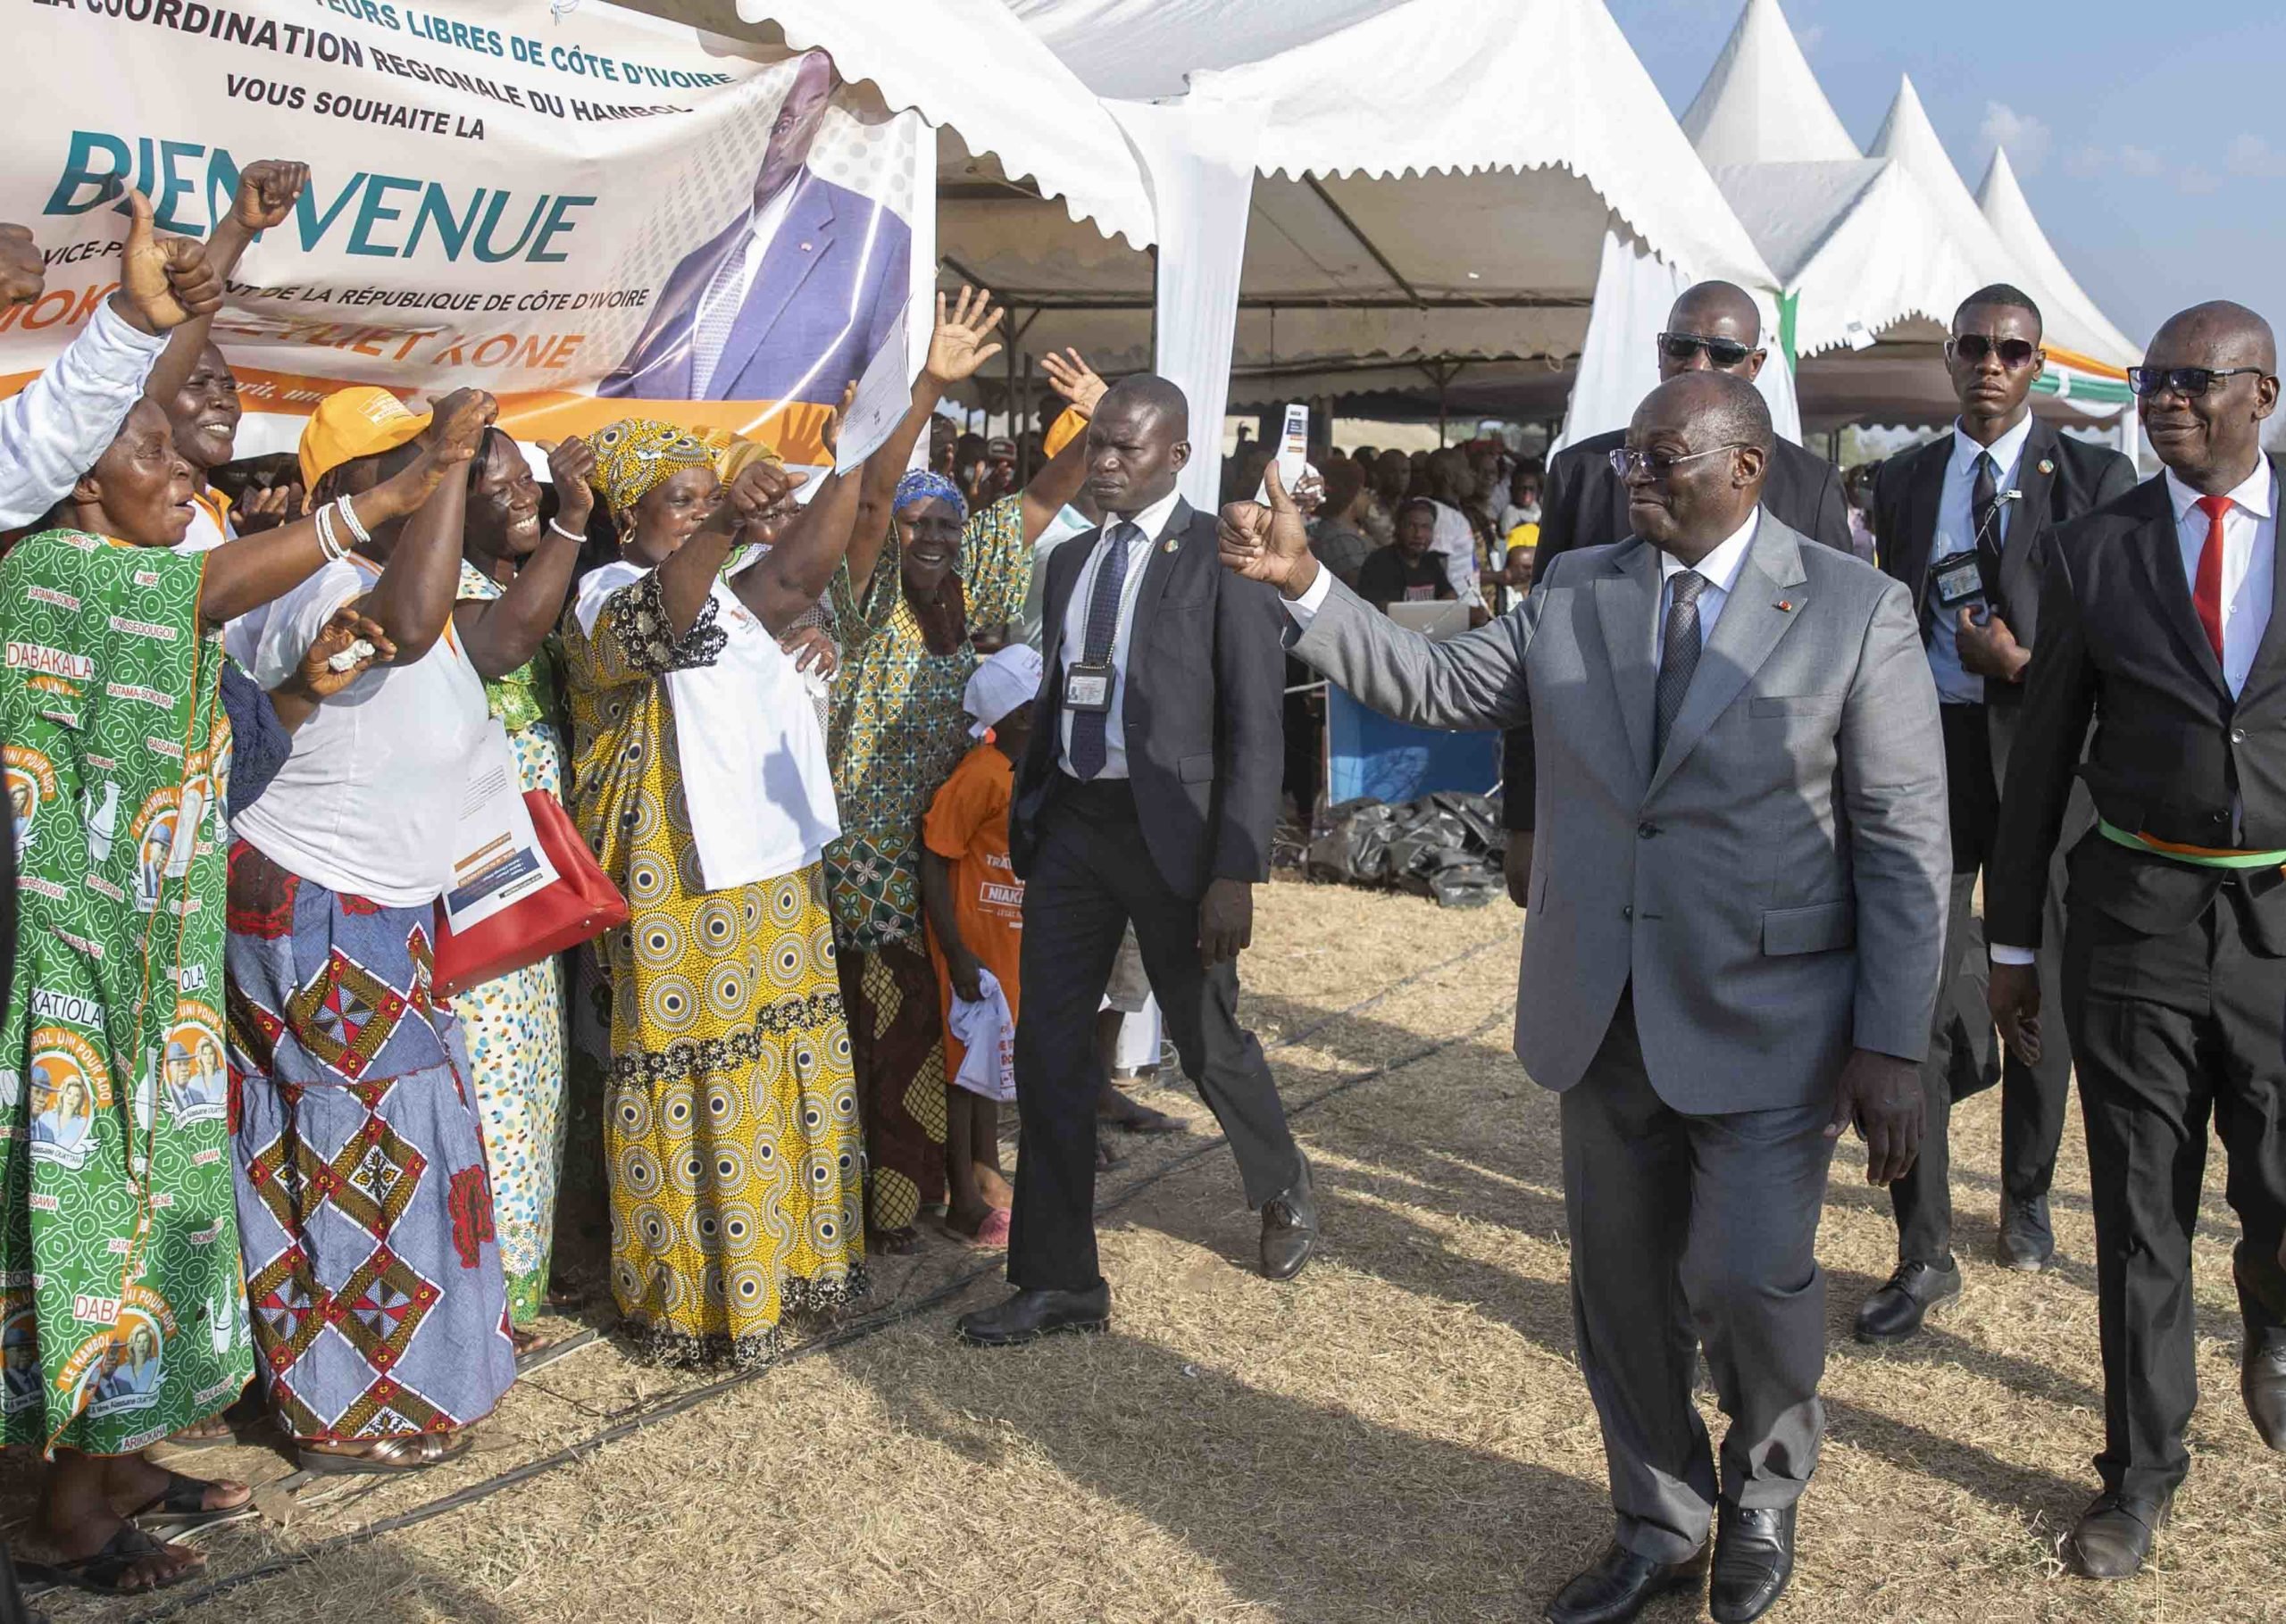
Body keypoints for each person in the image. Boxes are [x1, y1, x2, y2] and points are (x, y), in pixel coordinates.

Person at [1223, 371, 1948, 1624]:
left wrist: (1894, 1037)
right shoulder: (1575, 586)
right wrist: (1303, 583)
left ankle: (1766, 1483)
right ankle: (1662, 1519)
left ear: (1749, 468)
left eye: (1668, 459)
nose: (1638, 476)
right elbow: (1440, 685)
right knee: (1617, 1288)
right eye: (1632, 458)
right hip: (1601, 1004)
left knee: (1746, 1273)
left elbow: (1902, 837)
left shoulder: (1854, 608)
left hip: (1773, 1012)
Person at [2, 387, 478, 1590]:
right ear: (77, 482)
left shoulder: (166, 594)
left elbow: (234, 760)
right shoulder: (58, 574)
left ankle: (120, 1461)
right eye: (147, 452)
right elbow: (206, 587)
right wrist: (386, 499)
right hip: (78, 972)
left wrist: (309, 685)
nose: (184, 474)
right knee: (92, 1228)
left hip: (158, 965)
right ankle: (68, 1514)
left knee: (158, 1219)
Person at [1987, 301, 2286, 1581]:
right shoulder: (2095, 547)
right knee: (2139, 1217)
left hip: (2281, 927)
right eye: (2151, 381)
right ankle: (2140, 1473)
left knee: (2276, 1185)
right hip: (2137, 923)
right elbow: (2045, 749)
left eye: (2190, 381)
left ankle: (2269, 1313)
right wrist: (2010, 939)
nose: (2163, 399)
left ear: (2259, 394)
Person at [955, 373, 1317, 1351]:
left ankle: (1280, 1180)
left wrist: (1235, 866)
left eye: (1125, 448)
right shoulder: (1069, 558)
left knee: (1206, 1038)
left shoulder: (1222, 555)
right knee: (1047, 1052)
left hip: (1178, 841)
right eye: (1096, 444)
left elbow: (1253, 719)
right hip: (1075, 825)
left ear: (1175, 457)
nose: (1104, 463)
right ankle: (1058, 1279)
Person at [225, 387, 518, 1474]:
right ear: (345, 489)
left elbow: (493, 631)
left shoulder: (401, 587)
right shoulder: (324, 586)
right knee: (354, 1154)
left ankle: (351, 1381)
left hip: (358, 908)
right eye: (400, 462)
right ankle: (348, 1411)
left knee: (350, 1144)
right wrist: (443, 467)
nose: (431, 475)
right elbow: (400, 624)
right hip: (321, 902)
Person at [1856, 286, 2137, 1344]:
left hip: (2043, 764)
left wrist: (2019, 669)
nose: (1989, 364)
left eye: (2010, 350)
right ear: (1947, 358)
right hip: (1922, 755)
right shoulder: (1905, 478)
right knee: (1910, 987)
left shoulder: (2095, 479)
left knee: (2035, 989)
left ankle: (2024, 1192)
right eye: (1971, 346)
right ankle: (1919, 1244)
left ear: (2036, 366)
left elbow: (2117, 638)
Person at [561, 410, 866, 1367]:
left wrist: (867, 439)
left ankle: (792, 1271)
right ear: (627, 520)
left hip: (767, 881)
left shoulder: (729, 596)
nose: (697, 518)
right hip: (679, 890)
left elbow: (800, 575)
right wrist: (728, 518)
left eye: (707, 497)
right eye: (680, 502)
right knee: (696, 1085)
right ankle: (696, 1303)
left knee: (782, 1066)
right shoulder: (603, 600)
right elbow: (662, 622)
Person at [824, 289, 1096, 1253]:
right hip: (872, 862)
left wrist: (1095, 428)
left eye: (945, 526)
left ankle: (955, 1190)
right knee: (887, 1036)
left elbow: (1041, 500)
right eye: (916, 527)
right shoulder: (862, 602)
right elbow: (865, 503)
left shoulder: (967, 585)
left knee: (952, 1029)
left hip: (950, 852)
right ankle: (889, 1209)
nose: (931, 538)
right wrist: (931, 386)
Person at [1499, 281, 1855, 908]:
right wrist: (1525, 819)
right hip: (1603, 819)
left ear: (1755, 365)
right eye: (1681, 346)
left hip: (1748, 836)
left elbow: (1840, 670)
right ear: (1659, 352)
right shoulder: (1586, 474)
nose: (1697, 366)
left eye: (1720, 352)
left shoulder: (1809, 486)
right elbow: (1537, 665)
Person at [448, 428, 597, 1341]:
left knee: (533, 1081)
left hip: (536, 885)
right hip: (478, 881)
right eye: (498, 487)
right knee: (494, 1082)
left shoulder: (510, 583)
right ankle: (486, 1303)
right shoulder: (453, 598)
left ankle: (519, 1287)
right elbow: (501, 651)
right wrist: (573, 529)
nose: (525, 497)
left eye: (528, 482)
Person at [602, 47, 907, 423]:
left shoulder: (875, 239)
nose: (764, 147)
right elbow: (632, 387)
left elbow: (884, 405)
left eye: (782, 125)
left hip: (795, 477)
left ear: (816, 124)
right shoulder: (693, 263)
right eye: (747, 130)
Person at [919, 644, 1043, 1245]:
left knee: (991, 1064)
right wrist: (957, 951)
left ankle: (988, 1174)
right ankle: (962, 1200)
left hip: (1006, 948)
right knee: (965, 1073)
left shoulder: (1021, 774)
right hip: (970, 952)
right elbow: (935, 857)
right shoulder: (981, 774)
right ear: (1021, 714)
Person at [0, 196, 221, 530]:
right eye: (153, 451)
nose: (181, 466)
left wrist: (133, 321)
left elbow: (23, 459)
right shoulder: (50, 563)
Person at [1356, 497, 1461, 612]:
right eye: (1411, 526)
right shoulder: (1379, 562)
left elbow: (1450, 599)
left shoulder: (1431, 561)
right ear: (1398, 528)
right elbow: (1383, 611)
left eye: (1425, 527)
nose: (1419, 534)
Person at [1306, 457, 1373, 589]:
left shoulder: (1324, 530)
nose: (1368, 497)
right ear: (1353, 495)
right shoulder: (1342, 540)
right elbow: (1361, 586)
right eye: (1363, 491)